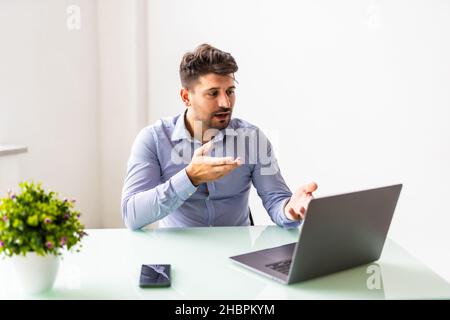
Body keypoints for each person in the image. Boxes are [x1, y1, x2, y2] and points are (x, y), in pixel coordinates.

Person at [121, 43, 318, 230]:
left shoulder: (252, 139)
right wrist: (190, 178)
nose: (225, 103)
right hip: (178, 254)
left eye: (230, 91)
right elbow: (132, 215)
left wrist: (290, 210)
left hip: (236, 255)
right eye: (213, 93)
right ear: (186, 97)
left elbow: (276, 201)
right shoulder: (154, 139)